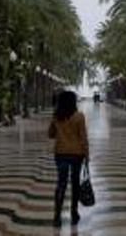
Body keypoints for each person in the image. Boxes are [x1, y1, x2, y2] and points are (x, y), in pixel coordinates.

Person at [48, 90, 89, 227]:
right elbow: (83, 138)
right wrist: (87, 155)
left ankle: (57, 216)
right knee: (75, 183)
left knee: (61, 183)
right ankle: (74, 213)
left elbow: (51, 134)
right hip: (77, 154)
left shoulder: (56, 116)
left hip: (60, 153)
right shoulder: (79, 116)